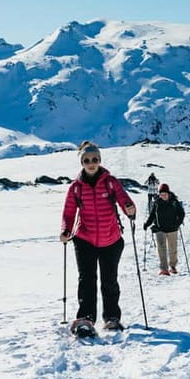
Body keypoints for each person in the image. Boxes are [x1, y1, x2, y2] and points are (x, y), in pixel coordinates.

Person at [60, 141, 136, 332]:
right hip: (84, 239)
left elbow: (123, 199)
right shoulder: (76, 187)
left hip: (111, 239)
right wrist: (65, 230)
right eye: (86, 160)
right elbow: (69, 212)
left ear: (100, 160)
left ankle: (112, 318)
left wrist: (130, 209)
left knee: (109, 280)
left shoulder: (110, 182)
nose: (91, 163)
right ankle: (86, 319)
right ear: (82, 163)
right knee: (86, 280)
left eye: (94, 159)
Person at [143, 183, 185, 275]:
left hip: (172, 228)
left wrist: (177, 223)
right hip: (160, 229)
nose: (163, 196)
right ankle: (164, 269)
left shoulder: (174, 202)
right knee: (161, 249)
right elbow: (152, 215)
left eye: (164, 194)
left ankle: (173, 266)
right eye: (161, 194)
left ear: (168, 193)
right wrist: (147, 224)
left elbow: (181, 213)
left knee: (172, 248)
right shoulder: (157, 202)